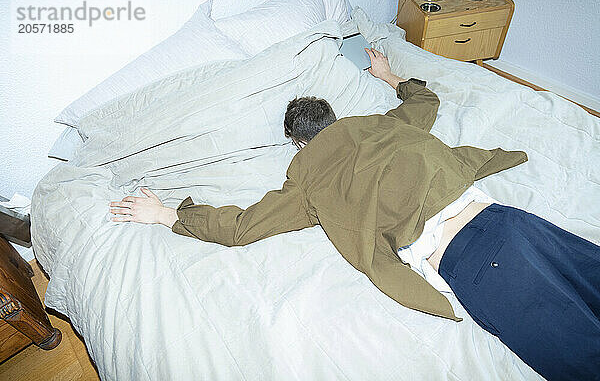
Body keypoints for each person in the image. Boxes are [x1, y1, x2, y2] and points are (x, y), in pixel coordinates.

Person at [110, 48, 600, 380]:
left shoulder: (308, 177)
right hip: (510, 221)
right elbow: (425, 101)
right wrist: (390, 77)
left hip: (476, 260)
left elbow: (243, 227)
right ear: (334, 118)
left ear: (299, 142)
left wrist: (169, 214)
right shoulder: (382, 124)